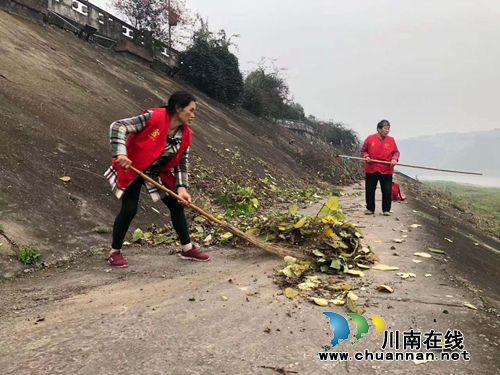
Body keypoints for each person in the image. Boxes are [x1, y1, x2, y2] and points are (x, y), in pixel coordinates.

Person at [104, 91, 210, 267]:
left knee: (177, 205)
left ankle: (187, 248)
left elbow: (182, 164)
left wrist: (182, 189)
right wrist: (120, 153)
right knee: (129, 209)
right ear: (177, 108)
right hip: (133, 167)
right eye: (190, 110)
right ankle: (114, 252)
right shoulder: (153, 118)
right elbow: (118, 126)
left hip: (156, 173)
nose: (193, 115)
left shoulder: (185, 135)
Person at [360, 119, 400, 216]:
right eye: (385, 128)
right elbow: (363, 150)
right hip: (371, 168)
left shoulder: (391, 140)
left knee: (386, 190)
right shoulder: (370, 139)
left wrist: (394, 159)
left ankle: (386, 210)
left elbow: (396, 152)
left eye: (388, 129)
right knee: (370, 189)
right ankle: (370, 208)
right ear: (378, 129)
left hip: (386, 169)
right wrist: (366, 157)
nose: (387, 131)